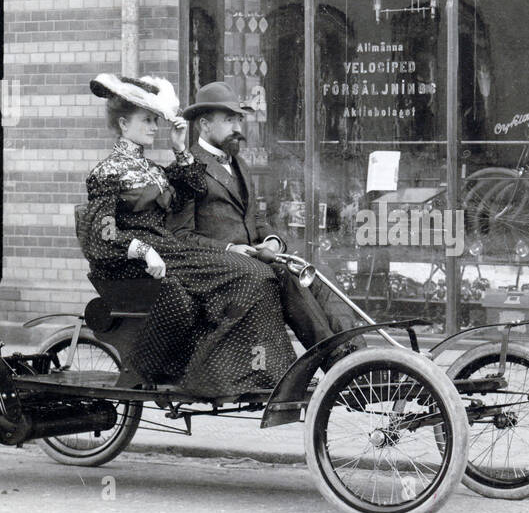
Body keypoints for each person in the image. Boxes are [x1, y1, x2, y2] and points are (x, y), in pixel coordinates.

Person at [79, 73, 297, 397]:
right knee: (251, 272)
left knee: (258, 274)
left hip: (168, 250)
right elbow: (100, 235)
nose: (155, 126)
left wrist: (180, 149)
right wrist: (143, 250)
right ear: (124, 124)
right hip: (134, 261)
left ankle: (254, 373)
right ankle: (211, 375)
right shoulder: (107, 172)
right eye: (147, 120)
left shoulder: (152, 169)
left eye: (156, 119)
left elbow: (188, 194)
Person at [168, 82, 366, 355]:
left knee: (315, 271)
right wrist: (229, 248)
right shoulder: (185, 169)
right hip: (217, 271)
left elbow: (256, 219)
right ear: (204, 124)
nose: (238, 128)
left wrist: (273, 243)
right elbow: (180, 236)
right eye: (228, 120)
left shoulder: (240, 164)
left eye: (238, 119)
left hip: (255, 262)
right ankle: (334, 360)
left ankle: (359, 356)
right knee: (287, 276)